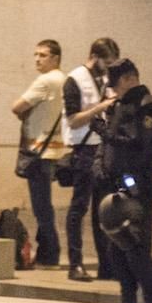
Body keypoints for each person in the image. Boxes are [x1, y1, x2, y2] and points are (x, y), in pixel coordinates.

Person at [95, 59, 152, 303]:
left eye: (116, 84)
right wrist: (100, 162)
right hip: (114, 184)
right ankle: (127, 298)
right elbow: (109, 145)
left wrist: (104, 132)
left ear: (128, 78)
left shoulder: (149, 106)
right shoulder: (119, 105)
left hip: (136, 185)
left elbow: (137, 142)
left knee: (136, 246)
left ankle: (150, 301)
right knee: (116, 248)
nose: (113, 91)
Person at [61, 37, 120, 282]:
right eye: (106, 62)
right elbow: (73, 119)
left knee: (103, 208)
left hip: (103, 148)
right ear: (94, 57)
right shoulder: (74, 79)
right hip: (83, 149)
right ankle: (75, 264)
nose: (108, 68)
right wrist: (102, 106)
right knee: (79, 208)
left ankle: (107, 264)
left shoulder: (105, 79)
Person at [8, 38, 67, 267]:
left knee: (41, 206)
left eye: (42, 55)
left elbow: (17, 106)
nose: (37, 59)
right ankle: (47, 250)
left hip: (38, 150)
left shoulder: (45, 81)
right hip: (53, 148)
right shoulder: (64, 79)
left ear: (55, 58)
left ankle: (49, 253)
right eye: (36, 54)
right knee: (45, 204)